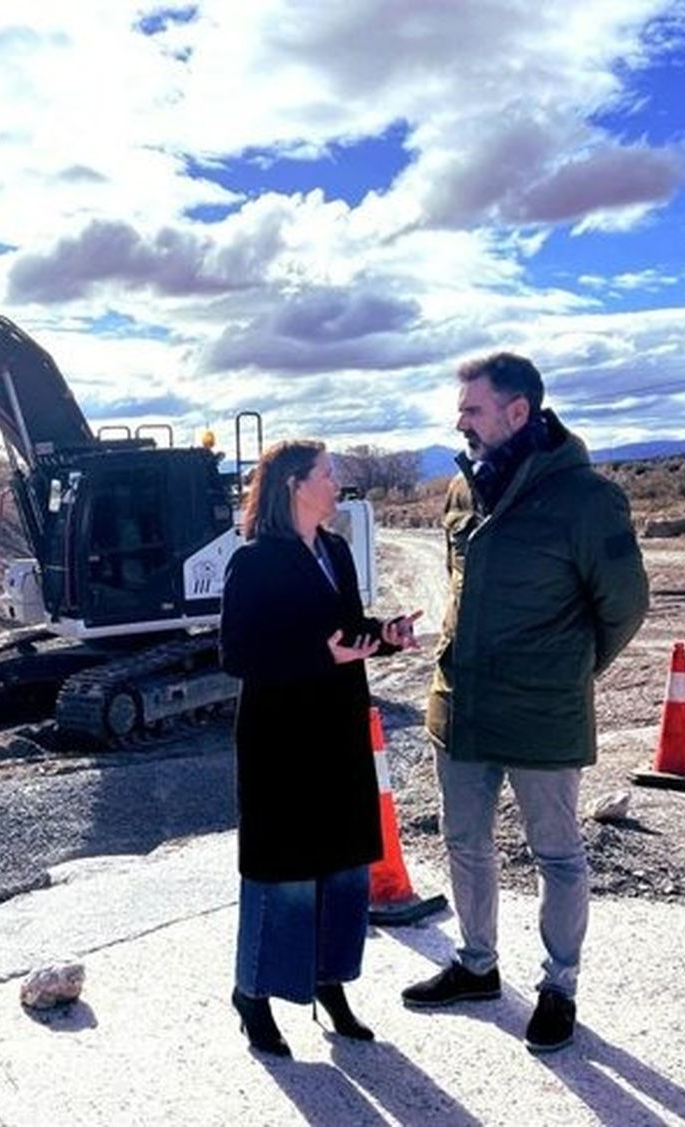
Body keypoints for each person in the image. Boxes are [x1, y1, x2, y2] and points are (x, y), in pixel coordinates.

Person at [400, 352, 648, 1054]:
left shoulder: (586, 498)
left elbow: (624, 607)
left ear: (518, 412)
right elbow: (459, 588)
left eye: (472, 409)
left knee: (557, 853)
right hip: (464, 705)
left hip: (542, 710)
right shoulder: (460, 490)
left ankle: (558, 985)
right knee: (464, 841)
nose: (460, 421)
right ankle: (477, 965)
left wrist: (568, 670)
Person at [219, 439, 422, 1058]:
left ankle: (329, 983)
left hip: (337, 729)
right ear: (293, 486)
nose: (337, 484)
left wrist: (385, 637)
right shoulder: (253, 561)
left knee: (343, 867)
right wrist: (318, 655)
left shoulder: (332, 549)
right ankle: (253, 993)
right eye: (328, 475)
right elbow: (237, 655)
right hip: (281, 739)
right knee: (282, 873)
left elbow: (346, 631)